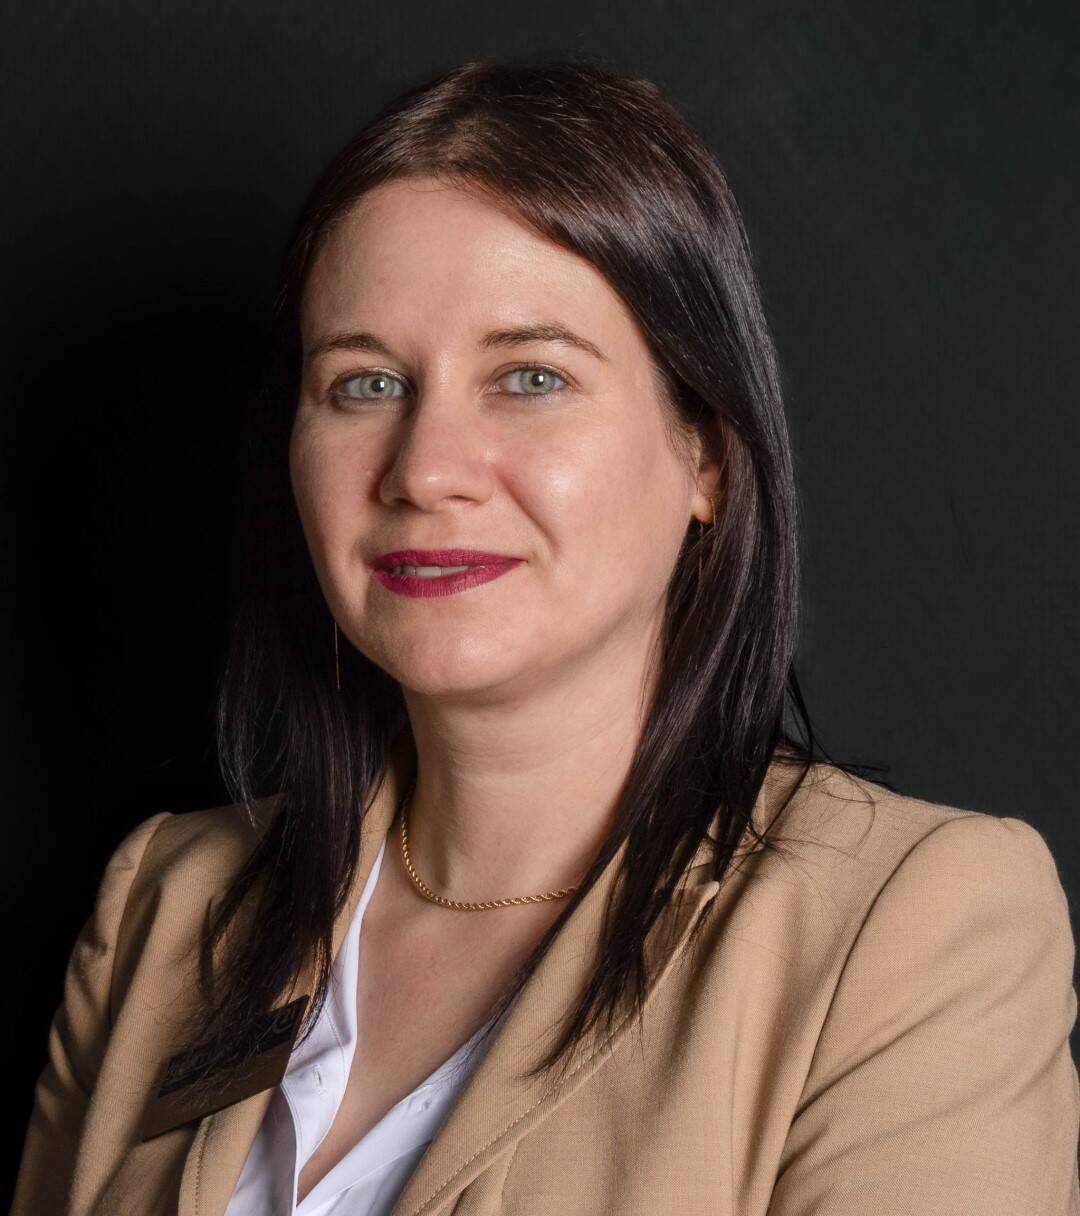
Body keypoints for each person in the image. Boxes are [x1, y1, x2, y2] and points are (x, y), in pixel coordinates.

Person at [12, 58, 1080, 1216]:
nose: (425, 471)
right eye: (365, 384)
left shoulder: (909, 923)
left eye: (530, 376)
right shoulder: (165, 905)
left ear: (706, 454)